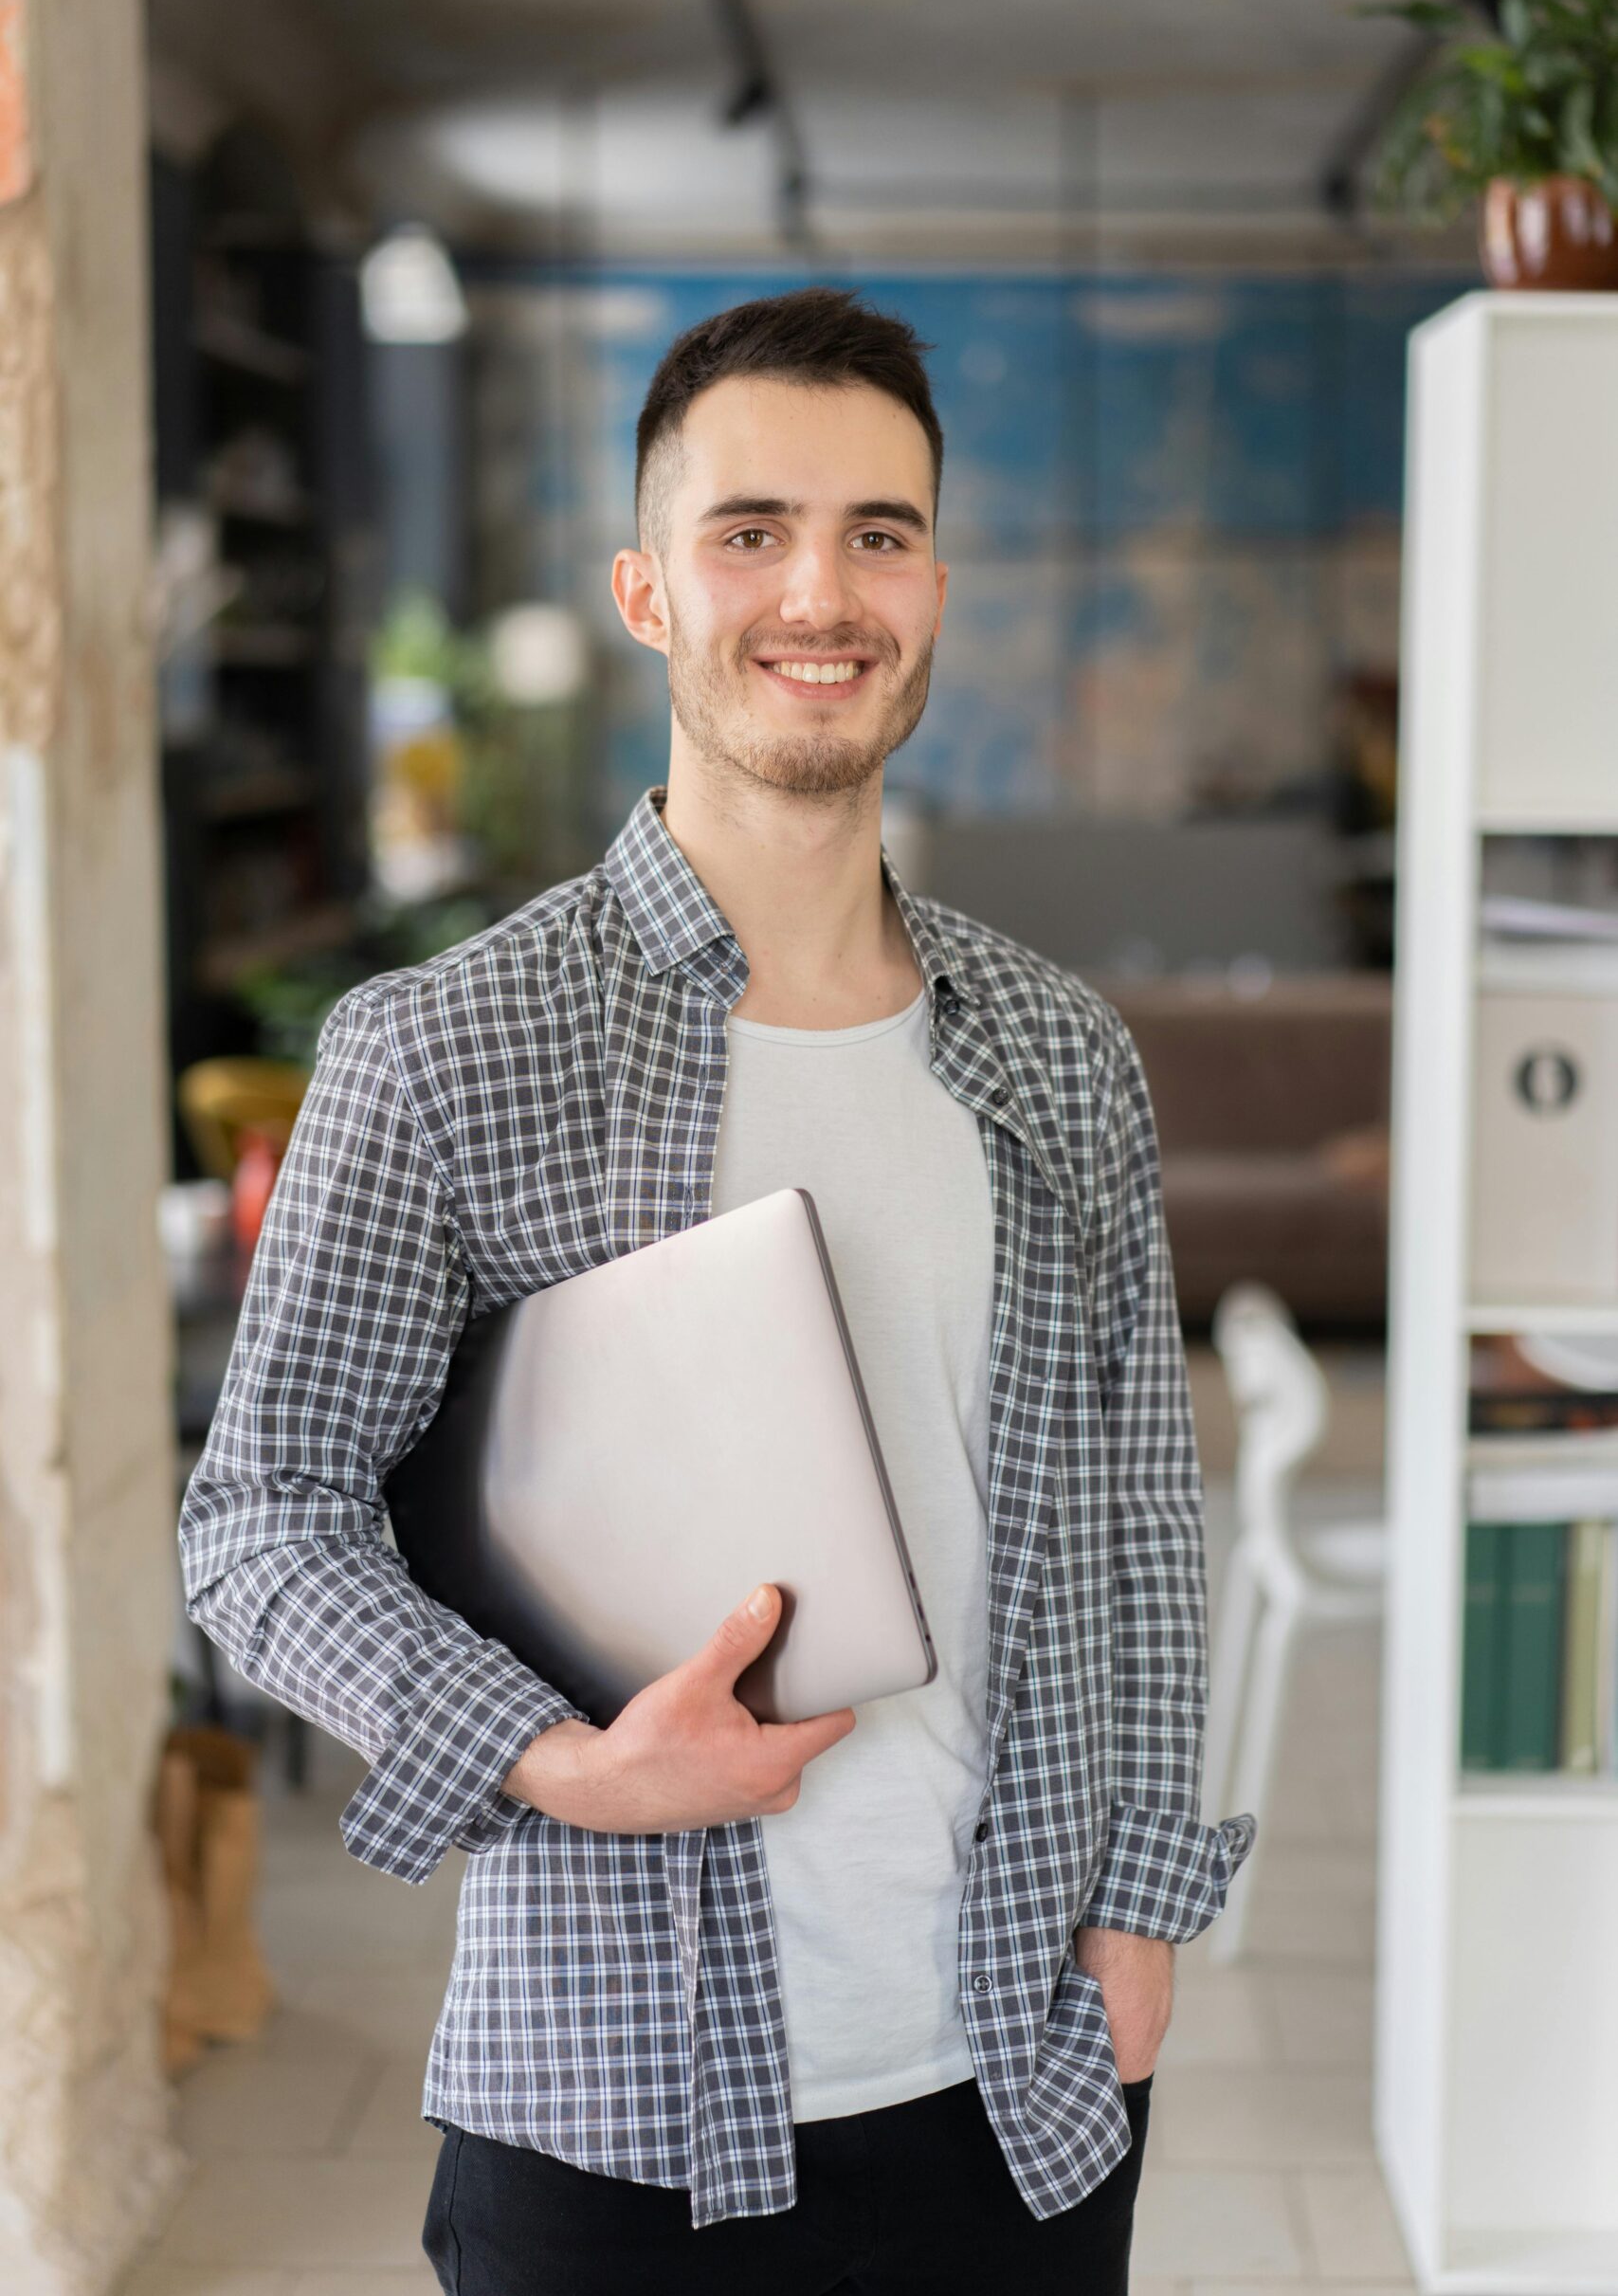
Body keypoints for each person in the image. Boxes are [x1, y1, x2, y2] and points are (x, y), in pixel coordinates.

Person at [180, 285, 1256, 2294]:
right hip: (605, 2096)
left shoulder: (1058, 1052)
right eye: (748, 530)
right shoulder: (441, 1049)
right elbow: (259, 1523)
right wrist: (563, 1758)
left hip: (1018, 2082)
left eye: (877, 532)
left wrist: (1133, 1921)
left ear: (935, 583)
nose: (817, 592)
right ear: (647, 590)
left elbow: (1129, 1523)